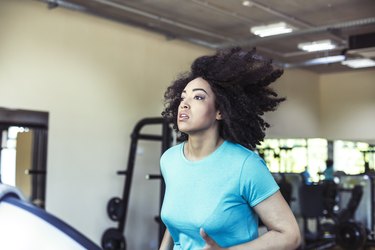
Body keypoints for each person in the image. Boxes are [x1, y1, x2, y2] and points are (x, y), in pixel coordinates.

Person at [159, 47, 301, 250]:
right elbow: (175, 224)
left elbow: (290, 235)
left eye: (198, 97)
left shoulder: (245, 166)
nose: (185, 104)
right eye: (183, 97)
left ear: (219, 111)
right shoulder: (169, 160)